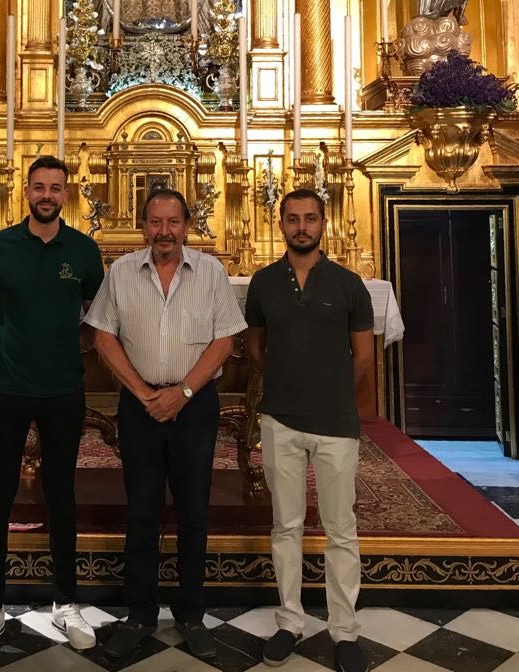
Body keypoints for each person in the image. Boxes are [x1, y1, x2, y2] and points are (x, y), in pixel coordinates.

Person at [87, 188, 245, 662]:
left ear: (186, 226)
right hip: (141, 406)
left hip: (194, 406)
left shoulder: (211, 272)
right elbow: (103, 336)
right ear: (143, 227)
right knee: (141, 511)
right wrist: (141, 392)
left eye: (173, 222)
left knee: (194, 511)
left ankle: (191, 614)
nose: (164, 231)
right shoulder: (120, 272)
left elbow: (225, 340)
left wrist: (184, 393)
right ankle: (139, 614)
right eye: (155, 222)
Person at [0, 155, 105, 659]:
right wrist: (7, 348)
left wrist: (68, 348)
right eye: (39, 186)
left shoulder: (84, 249)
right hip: (7, 388)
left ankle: (65, 602)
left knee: (61, 496)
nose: (47, 194)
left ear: (65, 194)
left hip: (63, 388)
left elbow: (96, 315)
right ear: (26, 192)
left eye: (55, 187)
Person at [245, 188, 375, 672]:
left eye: (310, 218)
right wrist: (287, 383)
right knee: (286, 525)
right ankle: (290, 621)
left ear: (323, 223)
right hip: (280, 419)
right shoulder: (263, 283)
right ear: (280, 224)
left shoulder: (348, 284)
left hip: (335, 423)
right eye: (293, 218)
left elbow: (363, 355)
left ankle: (344, 630)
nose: (302, 226)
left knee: (341, 528)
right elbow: (256, 348)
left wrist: (328, 389)